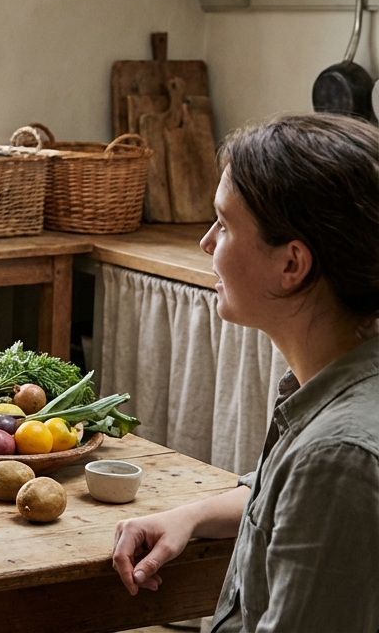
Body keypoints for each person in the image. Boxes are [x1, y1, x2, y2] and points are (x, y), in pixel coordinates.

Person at [110, 113, 379, 631]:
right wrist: (189, 516)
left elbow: (324, 482)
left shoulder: (338, 458)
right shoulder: (342, 384)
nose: (207, 242)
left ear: (292, 265)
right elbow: (284, 494)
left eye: (225, 224)